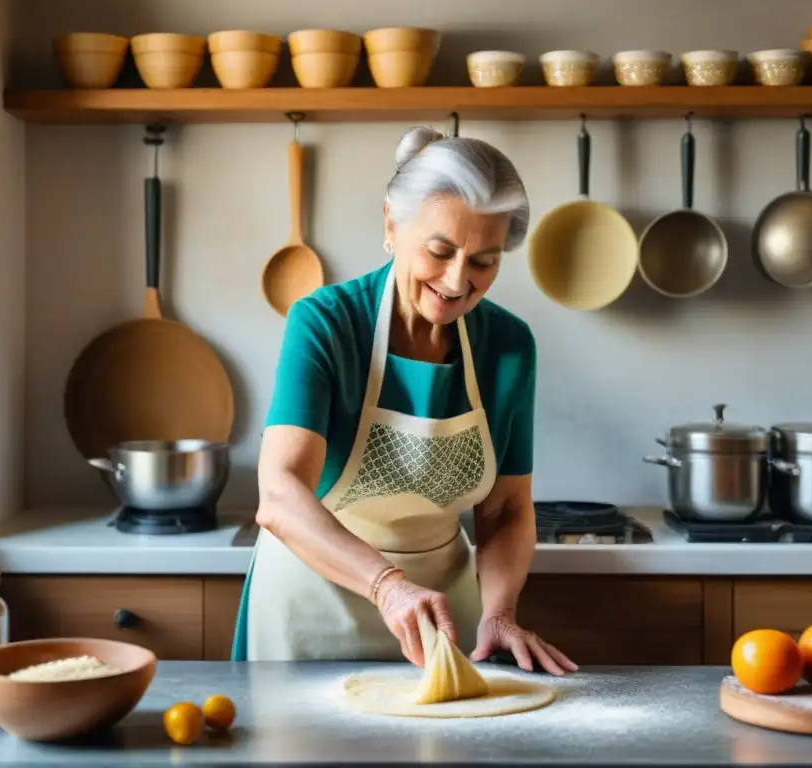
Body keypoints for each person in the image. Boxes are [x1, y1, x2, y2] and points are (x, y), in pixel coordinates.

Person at [230, 126, 576, 676]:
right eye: (439, 251)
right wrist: (387, 587)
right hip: (312, 606)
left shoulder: (509, 345)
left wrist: (501, 612)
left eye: (484, 262)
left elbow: (506, 509)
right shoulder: (326, 323)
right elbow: (279, 494)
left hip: (442, 619)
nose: (458, 280)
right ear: (392, 223)